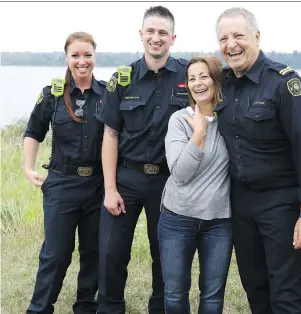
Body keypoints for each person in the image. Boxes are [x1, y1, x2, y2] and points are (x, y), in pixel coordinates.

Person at [215, 7, 301, 314]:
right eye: (223, 38)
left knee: (286, 291)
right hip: (240, 203)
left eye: (238, 35)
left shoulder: (285, 84)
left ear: (257, 36)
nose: (231, 44)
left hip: (281, 203)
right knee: (255, 285)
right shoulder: (222, 83)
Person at [96, 6, 188, 313]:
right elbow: (110, 135)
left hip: (168, 182)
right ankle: (110, 307)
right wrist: (110, 188)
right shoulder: (121, 79)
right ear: (141, 34)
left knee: (165, 255)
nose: (156, 38)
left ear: (172, 37)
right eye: (150, 31)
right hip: (127, 179)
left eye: (163, 32)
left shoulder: (190, 75)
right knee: (110, 252)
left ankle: (160, 309)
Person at [23, 31, 106, 314]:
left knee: (93, 253)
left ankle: (86, 306)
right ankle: (40, 308)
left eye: (87, 55)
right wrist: (28, 168)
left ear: (95, 57)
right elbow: (33, 132)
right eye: (76, 55)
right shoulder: (52, 95)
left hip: (98, 185)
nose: (82, 61)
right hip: (61, 184)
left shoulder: (108, 94)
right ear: (67, 58)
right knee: (56, 254)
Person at [158, 55, 232, 314]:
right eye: (192, 78)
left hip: (220, 221)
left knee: (212, 296)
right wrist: (198, 134)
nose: (197, 83)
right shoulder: (180, 120)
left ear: (216, 80)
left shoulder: (231, 120)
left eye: (204, 76)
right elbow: (180, 173)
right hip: (178, 219)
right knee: (175, 294)